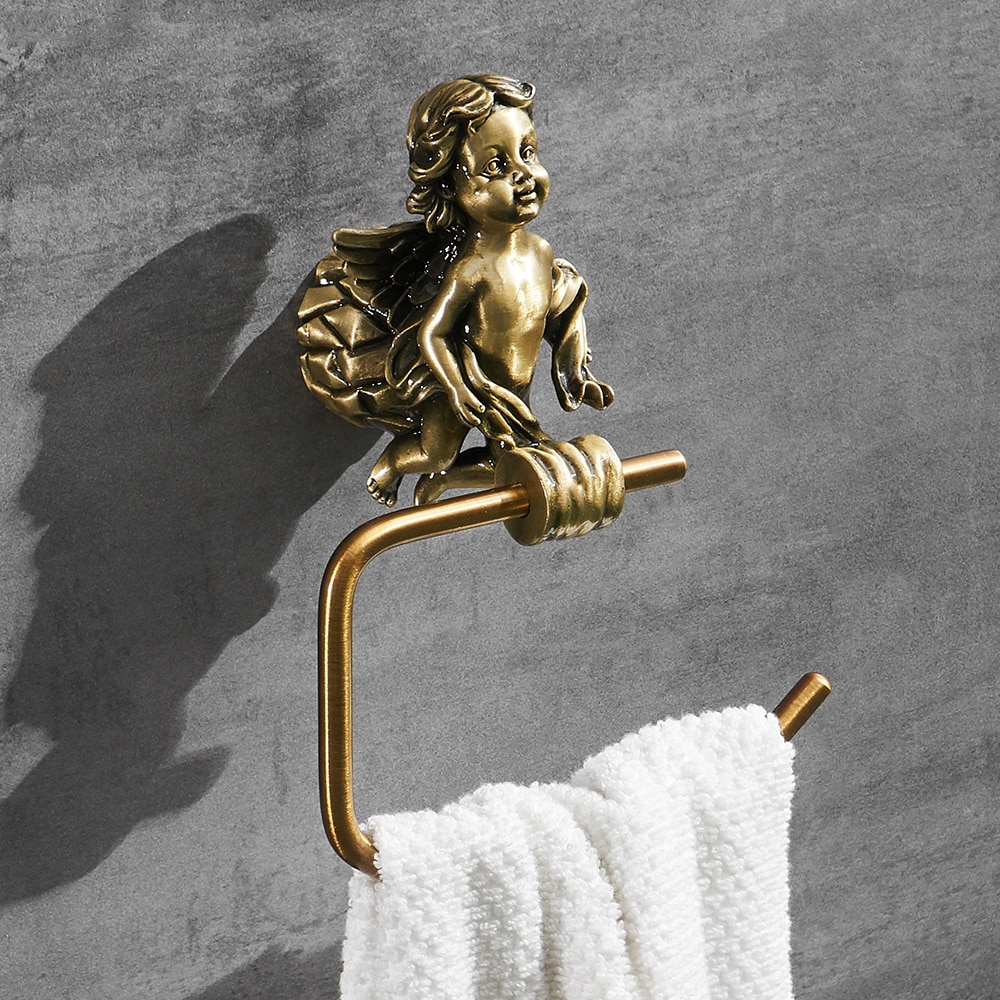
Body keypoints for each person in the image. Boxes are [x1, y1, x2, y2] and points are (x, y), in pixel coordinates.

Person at [297, 74, 614, 506]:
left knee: (514, 461)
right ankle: (392, 465)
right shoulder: (472, 267)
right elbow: (433, 333)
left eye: (528, 153)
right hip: (464, 384)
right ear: (451, 187)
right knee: (436, 451)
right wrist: (458, 389)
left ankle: (444, 482)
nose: (524, 175)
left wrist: (575, 372)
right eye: (496, 167)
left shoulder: (541, 252)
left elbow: (559, 310)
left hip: (512, 389)